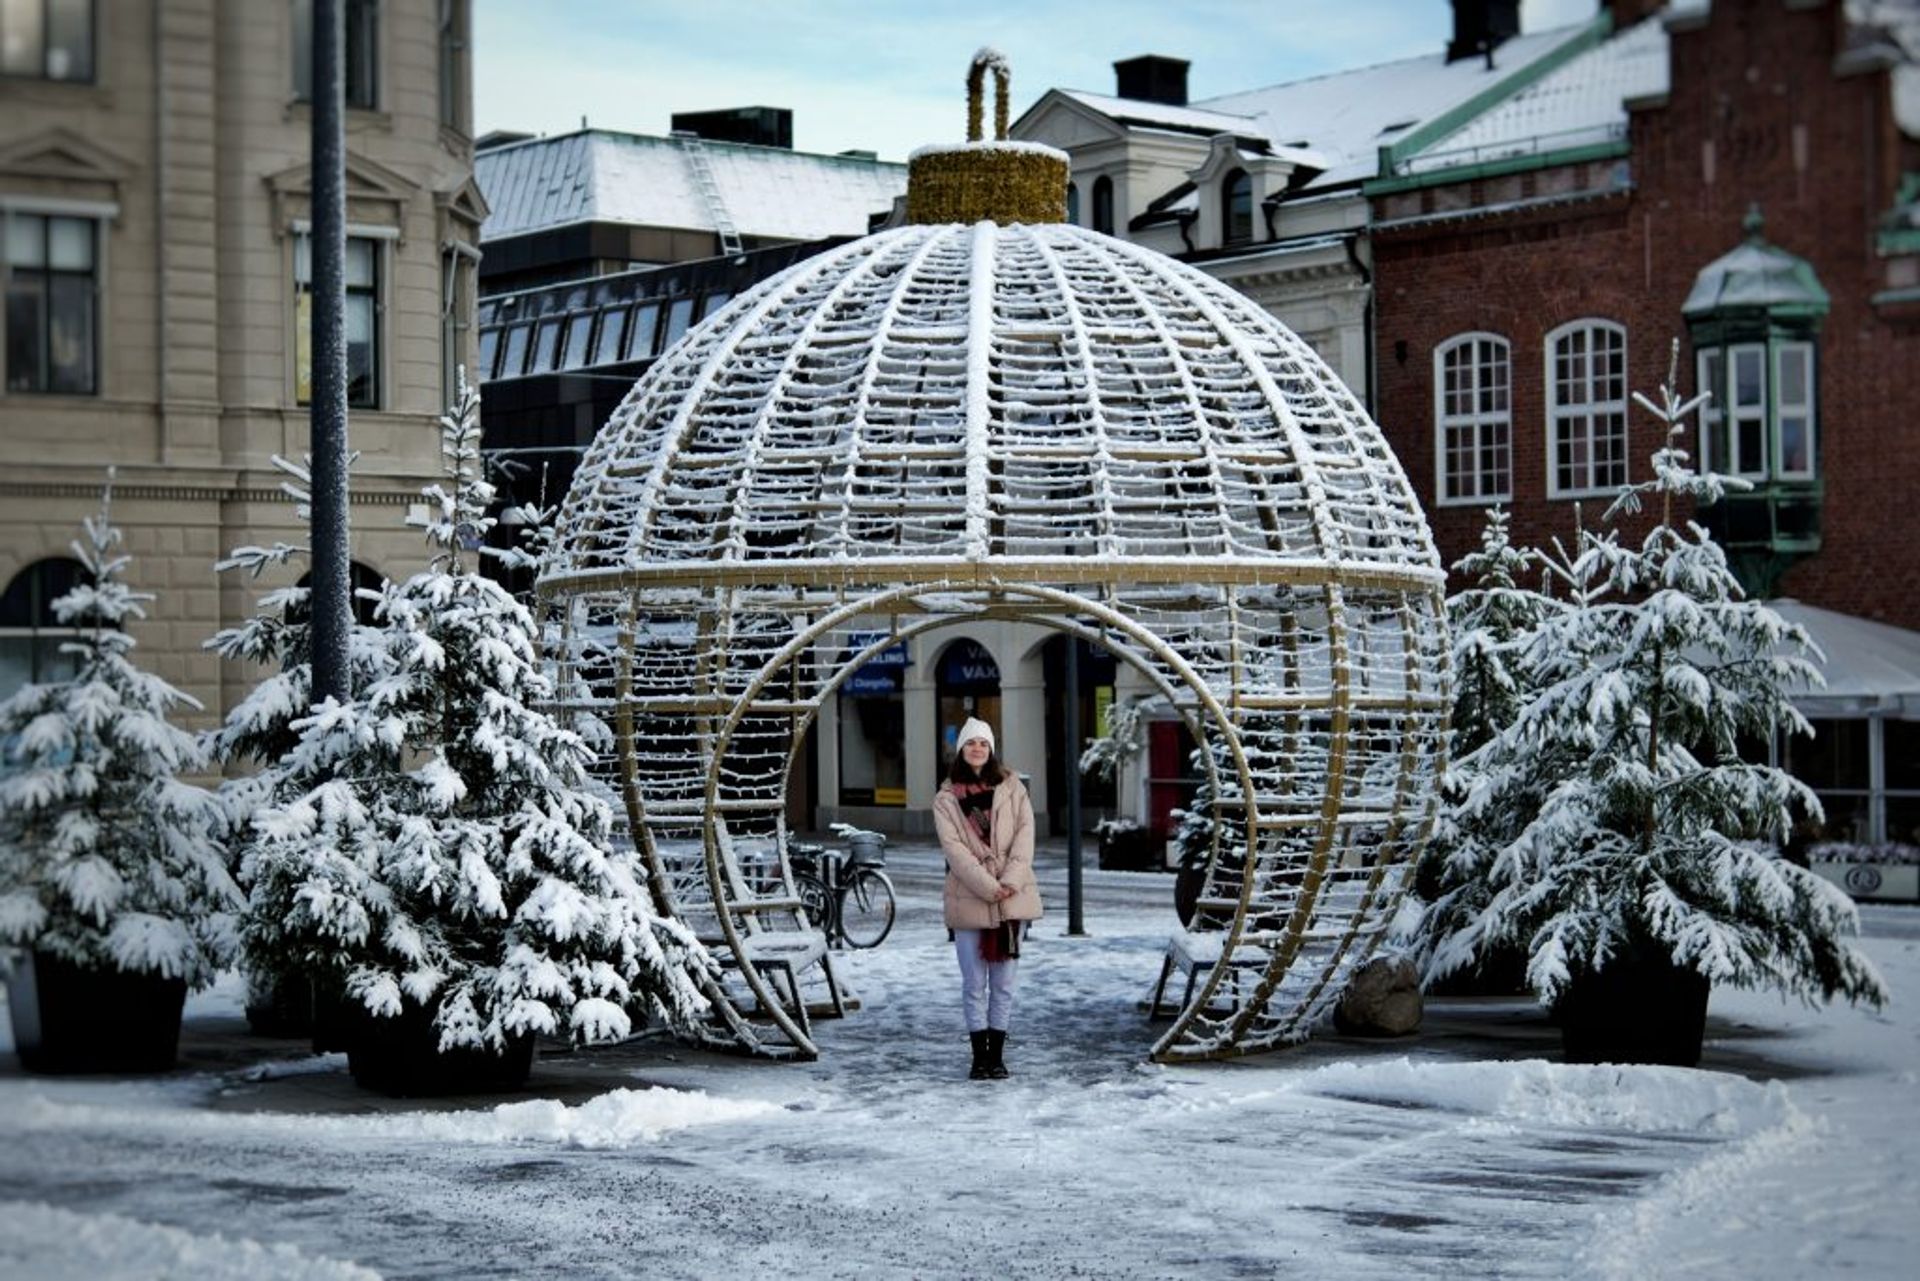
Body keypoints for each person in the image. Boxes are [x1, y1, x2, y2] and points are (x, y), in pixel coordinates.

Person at [932, 716, 1042, 1081]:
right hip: (970, 897)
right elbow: (955, 851)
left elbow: (1025, 838)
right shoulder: (946, 799)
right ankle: (979, 1057)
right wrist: (988, 886)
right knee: (973, 983)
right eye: (970, 743)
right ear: (961, 749)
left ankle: (998, 1055)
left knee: (1005, 983)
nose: (977, 748)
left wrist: (1009, 881)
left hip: (1012, 899)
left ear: (991, 749)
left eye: (983, 743)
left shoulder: (1013, 789)